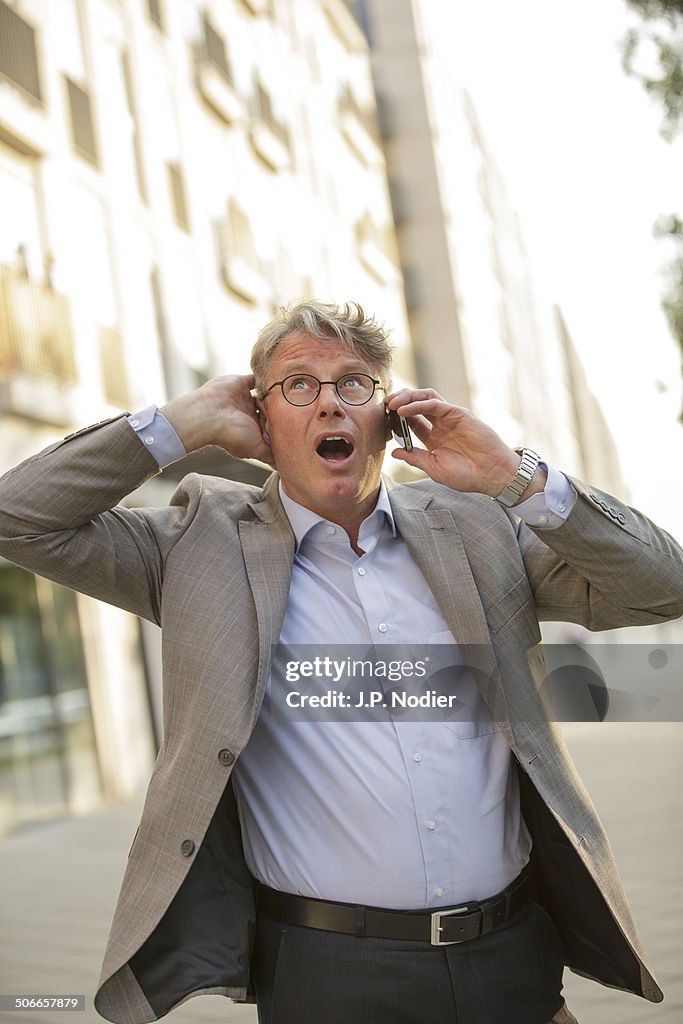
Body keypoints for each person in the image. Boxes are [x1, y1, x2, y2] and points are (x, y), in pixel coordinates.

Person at [0, 301, 681, 1024]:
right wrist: (181, 426)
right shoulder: (195, 545)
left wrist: (515, 477)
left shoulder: (479, 526)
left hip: (512, 956)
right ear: (263, 418)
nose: (327, 401)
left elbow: (660, 589)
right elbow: (18, 515)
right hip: (328, 975)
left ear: (388, 414)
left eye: (353, 384)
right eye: (297, 385)